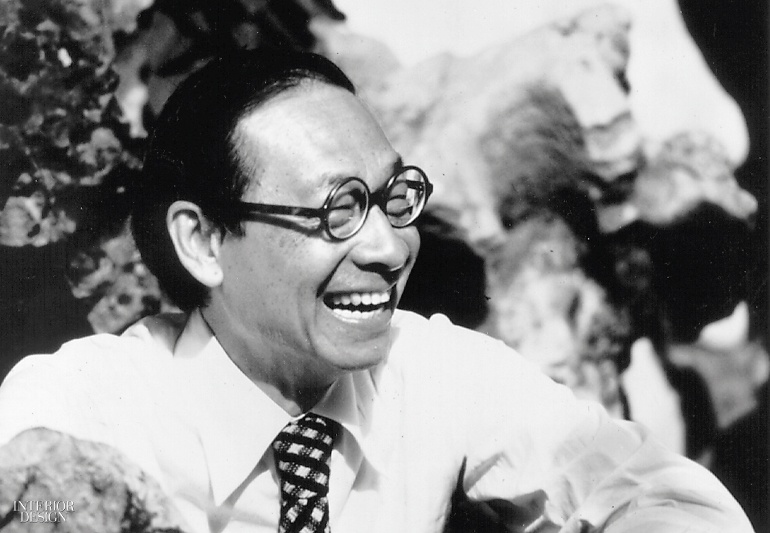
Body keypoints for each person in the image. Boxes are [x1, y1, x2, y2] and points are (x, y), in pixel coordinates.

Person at [0, 49, 754, 533]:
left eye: (395, 198)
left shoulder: (431, 371)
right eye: (337, 210)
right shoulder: (87, 405)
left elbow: (655, 490)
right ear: (203, 242)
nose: (391, 247)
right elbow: (33, 501)